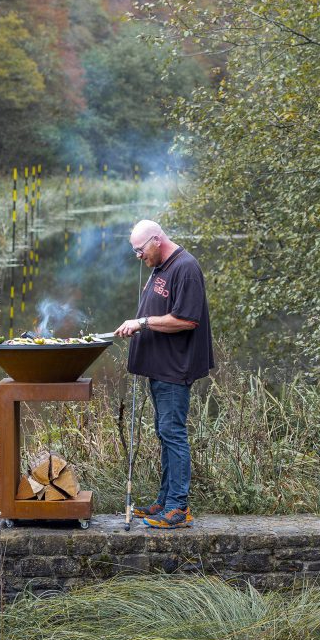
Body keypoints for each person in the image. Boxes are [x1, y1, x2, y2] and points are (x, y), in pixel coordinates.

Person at [114, 220, 213, 529]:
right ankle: (164, 500)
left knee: (173, 433)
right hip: (159, 368)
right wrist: (139, 323)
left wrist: (142, 322)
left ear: (156, 240)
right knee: (164, 433)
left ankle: (178, 508)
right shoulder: (161, 265)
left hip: (175, 369)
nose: (138, 256)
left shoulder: (186, 267)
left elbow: (187, 320)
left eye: (140, 250)